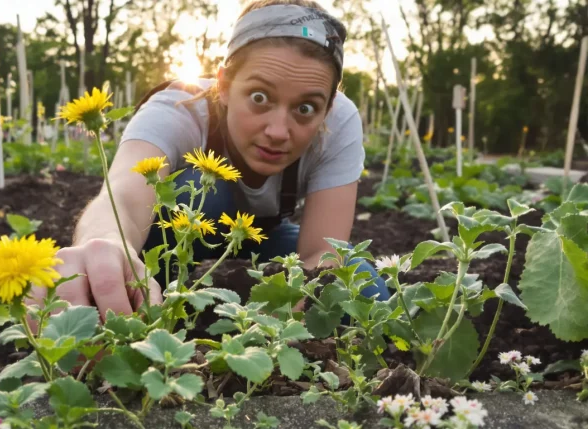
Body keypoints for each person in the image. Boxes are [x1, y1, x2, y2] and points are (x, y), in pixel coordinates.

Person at [48, 0, 390, 320]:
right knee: (204, 190)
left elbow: (322, 253)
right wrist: (107, 245)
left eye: (305, 108)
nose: (278, 131)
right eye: (260, 97)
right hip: (176, 233)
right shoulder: (177, 109)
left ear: (328, 109)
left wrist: (270, 328)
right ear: (224, 85)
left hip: (260, 234)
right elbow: (123, 197)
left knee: (362, 284)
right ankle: (152, 301)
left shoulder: (339, 123)